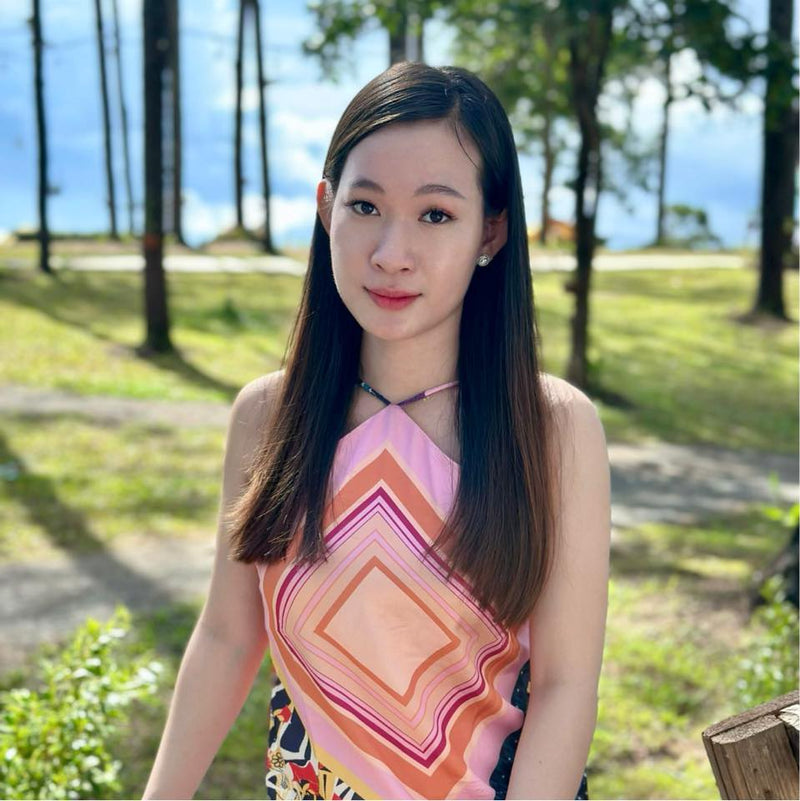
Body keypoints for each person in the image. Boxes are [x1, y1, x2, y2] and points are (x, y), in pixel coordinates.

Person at [143, 60, 610, 801]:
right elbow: (230, 638)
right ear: (326, 206)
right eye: (366, 207)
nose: (391, 252)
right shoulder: (268, 418)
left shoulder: (551, 429)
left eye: (434, 214)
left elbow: (565, 684)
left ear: (491, 228)